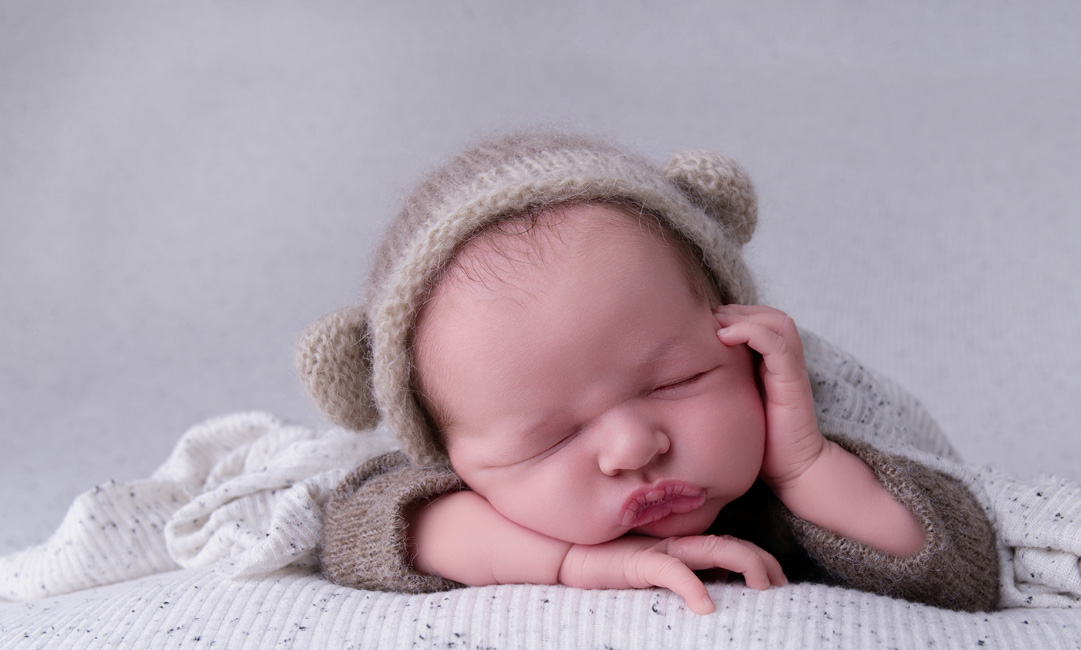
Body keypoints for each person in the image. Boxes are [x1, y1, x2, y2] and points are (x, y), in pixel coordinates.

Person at [297, 132, 1000, 613]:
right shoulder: (452, 497)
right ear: (455, 461)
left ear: (739, 341)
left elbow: (961, 567)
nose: (634, 447)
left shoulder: (809, 436)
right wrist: (575, 565)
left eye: (673, 383)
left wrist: (806, 466)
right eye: (551, 438)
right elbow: (365, 528)